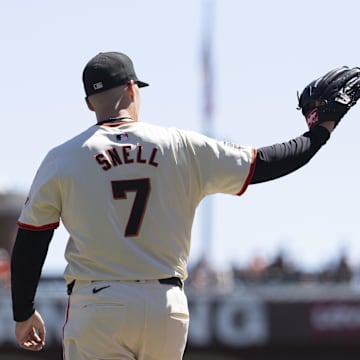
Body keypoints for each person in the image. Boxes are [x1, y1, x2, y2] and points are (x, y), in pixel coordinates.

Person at [11, 51, 338, 359]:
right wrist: (320, 130)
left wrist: (23, 311)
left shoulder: (62, 158)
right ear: (131, 89)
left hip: (99, 303)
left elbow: (32, 239)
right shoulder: (180, 145)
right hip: (164, 306)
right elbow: (267, 163)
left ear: (88, 103)